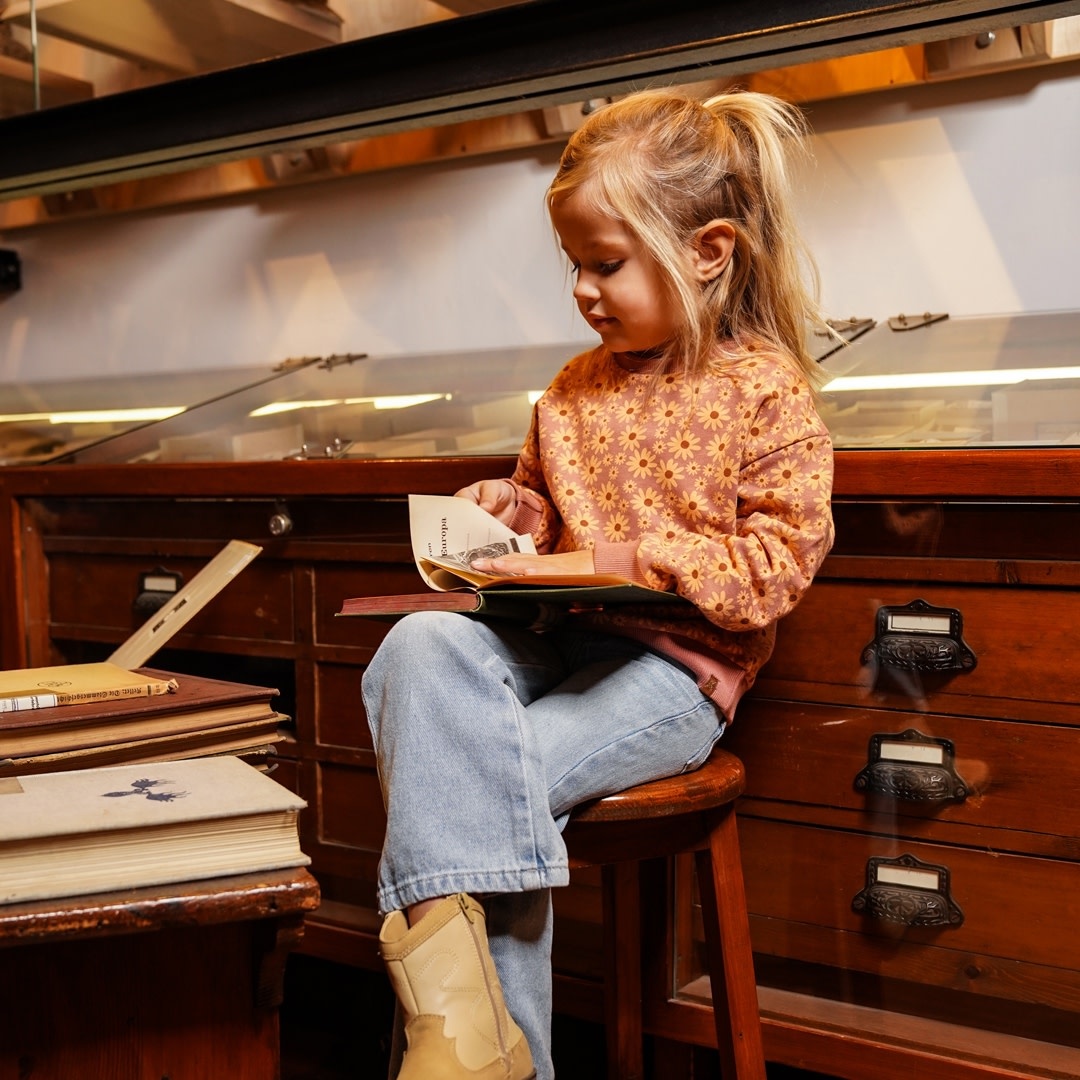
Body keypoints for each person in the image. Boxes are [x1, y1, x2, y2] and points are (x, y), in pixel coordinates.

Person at [362, 87, 836, 1080]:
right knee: (418, 644)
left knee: (475, 778)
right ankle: (481, 1049)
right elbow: (548, 512)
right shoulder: (572, 388)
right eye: (574, 264)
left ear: (708, 251)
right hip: (559, 641)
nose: (582, 288)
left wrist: (635, 557)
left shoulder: (766, 392)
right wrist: (510, 510)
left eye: (606, 263)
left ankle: (471, 1054)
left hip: (675, 673)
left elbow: (776, 568)